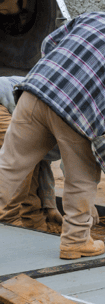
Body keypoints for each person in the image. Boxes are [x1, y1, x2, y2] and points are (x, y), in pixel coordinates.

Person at [0, 1, 105, 259]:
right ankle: (75, 241)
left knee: (9, 167)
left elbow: (49, 45)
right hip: (78, 112)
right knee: (82, 179)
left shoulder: (94, 18)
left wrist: (60, 74)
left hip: (34, 92)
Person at [0, 76, 63, 231]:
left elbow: (42, 164)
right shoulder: (74, 128)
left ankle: (33, 222)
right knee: (20, 161)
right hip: (3, 102)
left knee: (28, 161)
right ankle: (7, 220)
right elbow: (76, 179)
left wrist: (50, 207)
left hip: (15, 107)